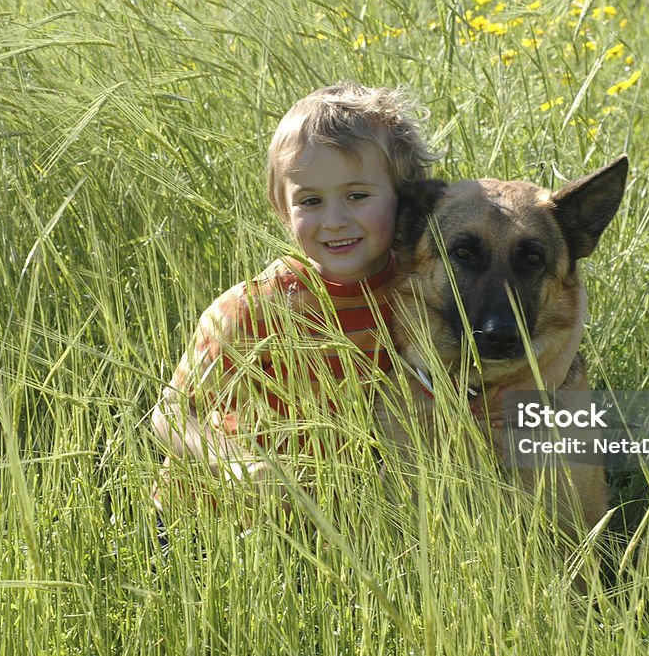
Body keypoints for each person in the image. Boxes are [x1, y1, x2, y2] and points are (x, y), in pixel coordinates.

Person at [150, 82, 437, 515]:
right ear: (283, 210)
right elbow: (170, 411)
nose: (335, 221)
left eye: (357, 196)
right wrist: (234, 463)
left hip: (341, 524)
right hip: (215, 522)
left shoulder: (419, 296)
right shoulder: (255, 308)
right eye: (310, 201)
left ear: (407, 199)